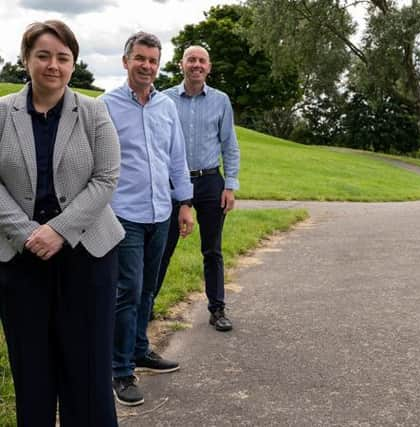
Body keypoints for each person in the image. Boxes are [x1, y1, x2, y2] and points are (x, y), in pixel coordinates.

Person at [0, 20, 124, 426]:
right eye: (43, 55)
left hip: (87, 256)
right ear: (26, 60)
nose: (52, 65)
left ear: (73, 64)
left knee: (87, 371)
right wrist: (27, 233)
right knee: (31, 369)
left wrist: (59, 230)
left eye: (62, 57)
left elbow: (106, 177)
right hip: (21, 259)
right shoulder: (2, 113)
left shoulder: (93, 111)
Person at [101, 31, 194, 407]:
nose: (147, 66)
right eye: (140, 58)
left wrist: (184, 202)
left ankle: (140, 348)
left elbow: (176, 157)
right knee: (128, 290)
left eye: (153, 60)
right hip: (125, 215)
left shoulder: (166, 106)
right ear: (126, 61)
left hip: (162, 212)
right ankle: (120, 369)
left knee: (149, 287)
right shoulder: (105, 106)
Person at [158, 45, 240, 332]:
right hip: (171, 183)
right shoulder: (164, 99)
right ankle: (145, 309)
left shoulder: (221, 101)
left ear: (209, 66)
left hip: (209, 182)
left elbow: (229, 145)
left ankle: (217, 309)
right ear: (181, 64)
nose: (196, 64)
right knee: (161, 248)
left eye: (201, 60)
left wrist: (230, 185)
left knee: (212, 250)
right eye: (191, 59)